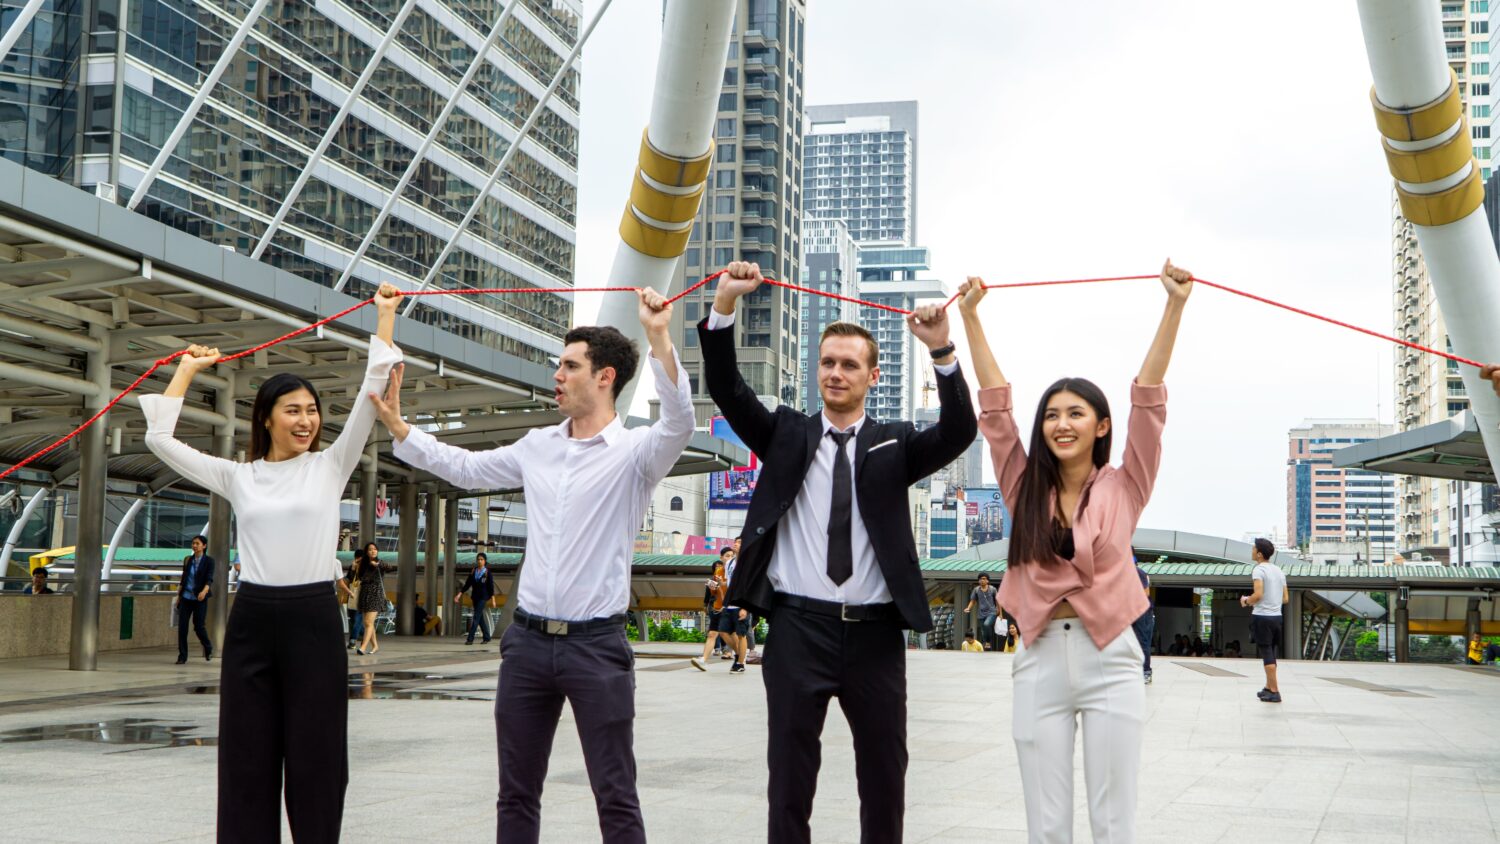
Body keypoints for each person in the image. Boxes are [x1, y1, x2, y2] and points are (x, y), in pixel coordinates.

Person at [371, 289, 694, 843]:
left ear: (605, 377)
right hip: (526, 646)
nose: (558, 375)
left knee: (615, 794)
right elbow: (467, 468)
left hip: (597, 648)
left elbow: (680, 422)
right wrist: (402, 430)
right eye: (558, 365)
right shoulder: (537, 445)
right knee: (516, 793)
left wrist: (660, 335)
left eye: (570, 366)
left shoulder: (636, 454)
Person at [700, 260, 977, 843]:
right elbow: (727, 389)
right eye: (827, 362)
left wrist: (943, 351)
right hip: (799, 630)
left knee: (884, 778)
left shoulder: (894, 443)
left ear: (873, 376)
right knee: (790, 781)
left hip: (877, 636)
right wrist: (724, 303)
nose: (836, 373)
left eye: (849, 364)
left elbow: (957, 433)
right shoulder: (786, 434)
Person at [141, 282, 403, 842]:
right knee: (246, 759)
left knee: (318, 759)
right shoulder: (240, 477)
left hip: (313, 619)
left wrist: (385, 318)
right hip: (253, 620)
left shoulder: (332, 465)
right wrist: (188, 369)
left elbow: (370, 390)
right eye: (293, 411)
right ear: (266, 418)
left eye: (311, 411)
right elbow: (160, 438)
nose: (306, 421)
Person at [964, 259, 1192, 842]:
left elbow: (1149, 404)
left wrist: (1174, 306)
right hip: (1038, 659)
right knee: (1046, 826)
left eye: (1075, 414)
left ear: (1101, 426)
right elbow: (995, 414)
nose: (1060, 424)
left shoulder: (1126, 483)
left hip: (1111, 658)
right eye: (1052, 415)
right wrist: (970, 318)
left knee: (1114, 822)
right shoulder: (1022, 486)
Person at [1241, 537, 1288, 703]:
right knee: (1271, 651)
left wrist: (1246, 600)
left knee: (1266, 652)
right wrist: (1272, 601)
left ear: (1259, 554)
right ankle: (1268, 687)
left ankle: (1274, 691)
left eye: (1254, 549)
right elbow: (1285, 598)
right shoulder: (1279, 571)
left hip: (1262, 617)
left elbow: (1258, 594)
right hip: (1277, 617)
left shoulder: (1259, 570)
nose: (1252, 551)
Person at [174, 535, 216, 664]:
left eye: (197, 543)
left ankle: (208, 647)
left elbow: (209, 578)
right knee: (182, 627)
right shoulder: (188, 560)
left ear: (204, 546)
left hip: (199, 598)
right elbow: (183, 579)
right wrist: (178, 595)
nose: (195, 546)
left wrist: (204, 591)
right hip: (186, 597)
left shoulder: (209, 561)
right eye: (193, 543)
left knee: (198, 627)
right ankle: (182, 656)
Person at [691, 553, 732, 671]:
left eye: (730, 556)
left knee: (730, 634)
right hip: (718, 607)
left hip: (732, 607)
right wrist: (713, 588)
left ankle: (739, 656)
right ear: (721, 557)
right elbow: (712, 593)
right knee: (712, 634)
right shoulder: (717, 573)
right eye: (726, 555)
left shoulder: (737, 571)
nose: (728, 558)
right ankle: (703, 660)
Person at [353, 540, 387, 655]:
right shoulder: (362, 564)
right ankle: (375, 645)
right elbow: (357, 577)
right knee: (368, 623)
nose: (373, 551)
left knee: (368, 622)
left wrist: (377, 565)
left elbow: (388, 567)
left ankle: (362, 647)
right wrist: (356, 565)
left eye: (375, 549)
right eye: (370, 549)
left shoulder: (380, 563)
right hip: (364, 594)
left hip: (376, 594)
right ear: (366, 552)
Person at [457, 552, 497, 645]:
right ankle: (487, 637)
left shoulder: (487, 573)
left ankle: (470, 639)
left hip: (483, 597)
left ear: (485, 561)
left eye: (482, 559)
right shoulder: (473, 571)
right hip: (475, 597)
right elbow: (467, 584)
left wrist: (493, 599)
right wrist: (459, 594)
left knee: (476, 617)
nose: (479, 561)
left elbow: (491, 588)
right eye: (478, 559)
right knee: (480, 618)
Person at [1131, 557, 1155, 684]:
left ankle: (1146, 671)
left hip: (1142, 612)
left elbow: (1146, 593)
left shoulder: (1137, 572)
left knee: (1142, 641)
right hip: (1132, 610)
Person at [963, 573, 1000, 651]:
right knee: (983, 633)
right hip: (981, 613)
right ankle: (987, 647)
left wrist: (999, 611)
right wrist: (968, 608)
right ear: (978, 580)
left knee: (987, 625)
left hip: (992, 612)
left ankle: (988, 642)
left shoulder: (992, 589)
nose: (982, 580)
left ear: (987, 580)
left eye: (984, 579)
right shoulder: (976, 590)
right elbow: (973, 601)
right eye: (980, 579)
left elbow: (997, 601)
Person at [343, 549, 364, 650]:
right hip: (352, 596)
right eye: (357, 558)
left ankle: (352, 640)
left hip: (361, 596)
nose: (358, 560)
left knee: (358, 618)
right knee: (353, 619)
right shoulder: (353, 566)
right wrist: (353, 569)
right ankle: (367, 634)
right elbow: (349, 579)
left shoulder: (366, 567)